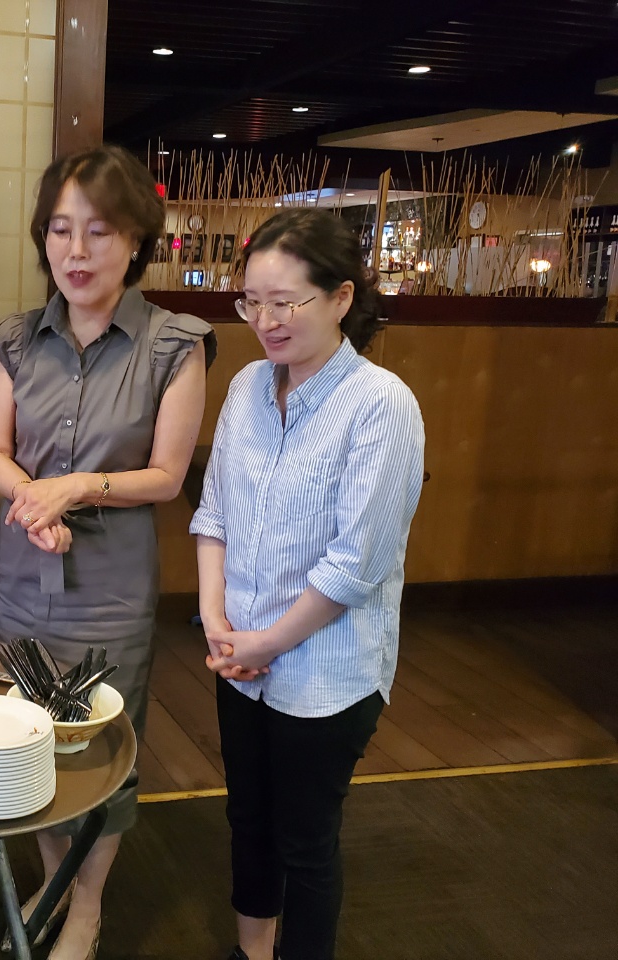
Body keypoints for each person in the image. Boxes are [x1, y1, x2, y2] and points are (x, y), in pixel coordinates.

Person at [0, 144, 215, 960]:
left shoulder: (174, 344)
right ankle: (54, 881)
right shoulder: (15, 340)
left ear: (136, 239)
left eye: (99, 231)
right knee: (26, 741)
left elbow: (166, 476)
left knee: (102, 746)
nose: (75, 251)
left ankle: (87, 908)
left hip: (110, 591)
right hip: (22, 576)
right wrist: (32, 500)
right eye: (59, 229)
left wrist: (73, 488)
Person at [190, 208, 425, 960]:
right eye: (251, 302)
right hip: (240, 657)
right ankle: (251, 951)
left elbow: (355, 565)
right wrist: (215, 619)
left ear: (341, 298)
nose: (265, 322)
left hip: (327, 672)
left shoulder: (381, 405)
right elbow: (214, 515)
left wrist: (267, 641)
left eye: (285, 303)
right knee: (248, 820)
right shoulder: (247, 388)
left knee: (305, 840)